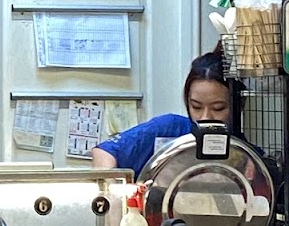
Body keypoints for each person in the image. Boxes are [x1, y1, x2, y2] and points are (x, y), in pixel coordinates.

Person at [91, 48, 232, 176]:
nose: (205, 117)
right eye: (196, 107)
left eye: (218, 108)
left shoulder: (240, 148)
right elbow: (104, 152)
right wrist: (115, 190)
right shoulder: (169, 129)